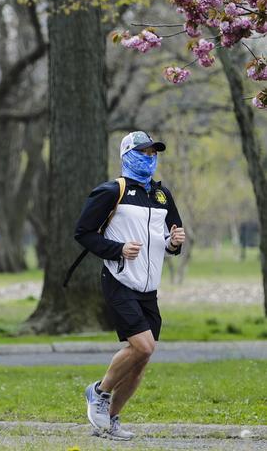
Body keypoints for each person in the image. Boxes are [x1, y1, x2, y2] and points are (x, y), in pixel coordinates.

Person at [74, 131, 186, 440]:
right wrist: (118, 249)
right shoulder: (112, 191)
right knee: (143, 345)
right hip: (119, 280)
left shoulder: (162, 195)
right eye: (143, 151)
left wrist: (174, 243)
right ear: (127, 154)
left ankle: (109, 423)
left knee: (141, 360)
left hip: (149, 287)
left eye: (153, 152)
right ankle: (98, 390)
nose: (150, 157)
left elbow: (168, 238)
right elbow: (83, 233)